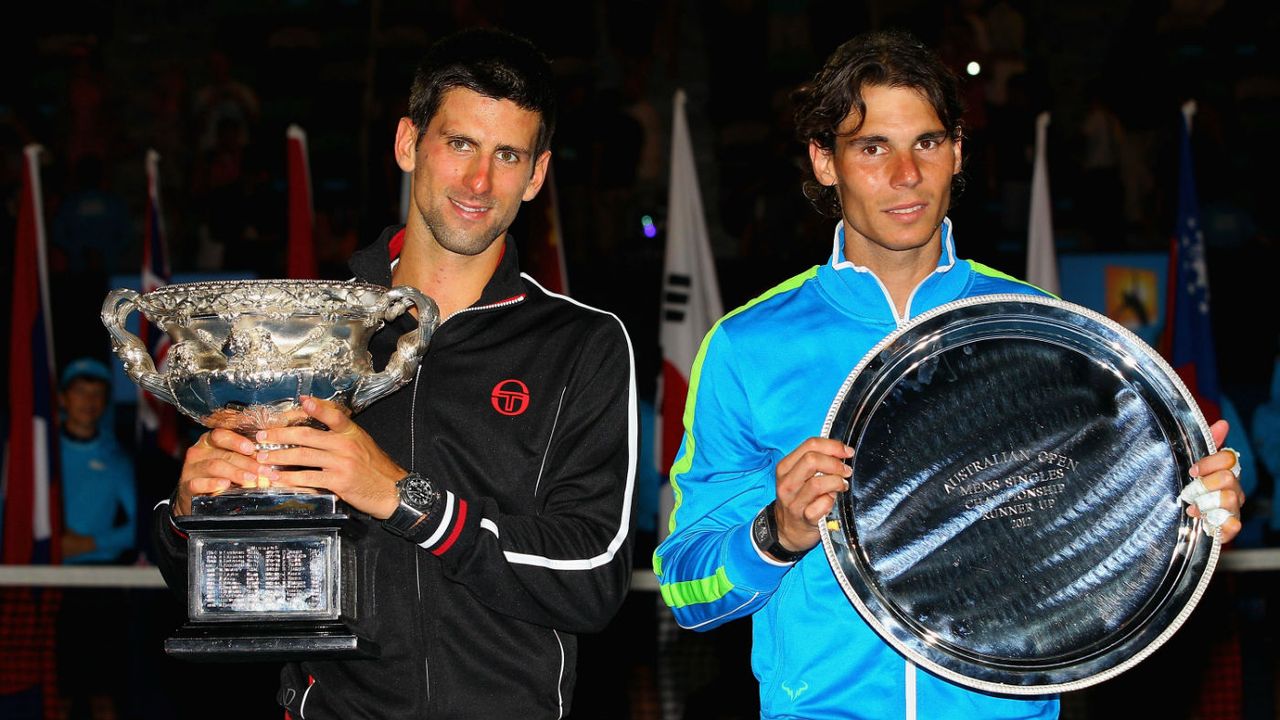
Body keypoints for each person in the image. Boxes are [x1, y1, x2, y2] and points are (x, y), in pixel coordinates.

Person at [652, 29, 1246, 720]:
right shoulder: (746, 346)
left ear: (958, 149)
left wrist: (1187, 509)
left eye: (927, 142)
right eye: (872, 148)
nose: (906, 175)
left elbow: (1100, 531)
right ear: (824, 161)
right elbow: (684, 590)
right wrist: (775, 534)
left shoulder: (1035, 325)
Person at [152, 28, 638, 718]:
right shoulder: (306, 332)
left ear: (536, 175)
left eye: (508, 155)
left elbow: (592, 579)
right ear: (409, 143)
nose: (479, 181)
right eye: (460, 144)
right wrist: (192, 517)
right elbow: (230, 579)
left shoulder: (579, 343)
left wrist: (405, 499)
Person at [56, 356, 138, 720]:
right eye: (80, 392)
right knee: (53, 693)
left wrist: (91, 543)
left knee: (103, 694)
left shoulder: (116, 458)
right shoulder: (38, 454)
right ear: (63, 399)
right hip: (37, 582)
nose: (88, 402)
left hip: (100, 584)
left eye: (97, 394)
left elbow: (139, 529)